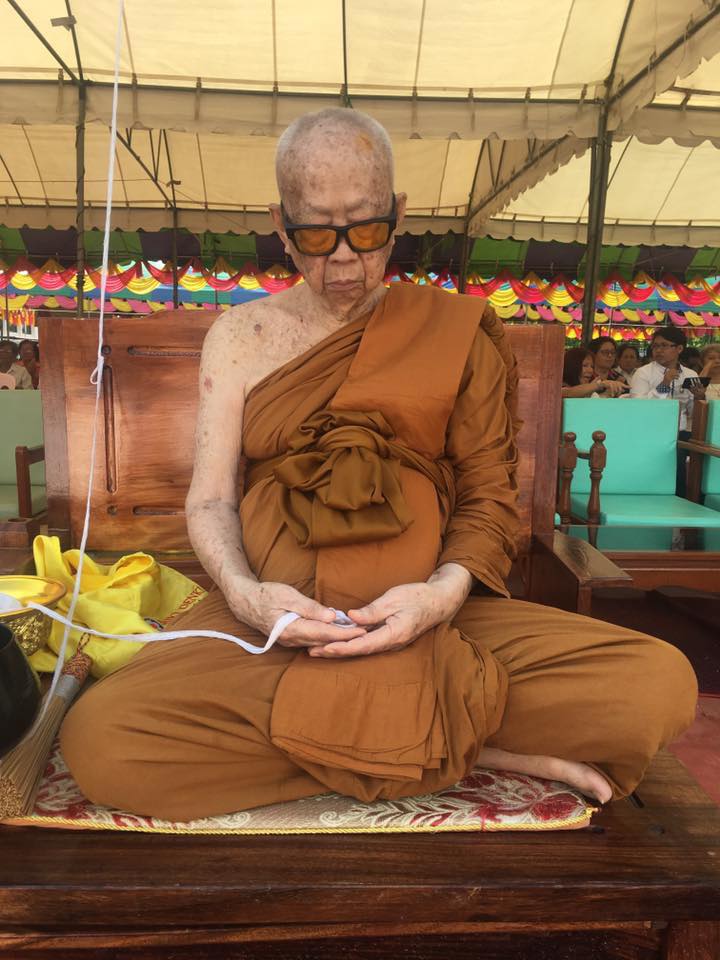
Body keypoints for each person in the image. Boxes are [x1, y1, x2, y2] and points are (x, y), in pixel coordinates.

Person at [60, 108, 696, 822]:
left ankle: (404, 735)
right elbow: (210, 500)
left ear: (397, 214)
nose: (341, 261)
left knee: (660, 684)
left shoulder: (452, 331)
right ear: (279, 222)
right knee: (102, 740)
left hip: (433, 625)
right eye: (313, 235)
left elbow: (490, 501)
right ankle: (468, 745)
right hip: (279, 631)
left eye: (366, 231)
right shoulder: (240, 336)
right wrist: (246, 597)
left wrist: (439, 598)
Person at [630, 328, 705, 495]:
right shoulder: (643, 373)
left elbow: (692, 413)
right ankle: (675, 497)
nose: (658, 350)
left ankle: (692, 499)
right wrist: (664, 384)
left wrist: (699, 397)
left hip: (681, 432)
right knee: (675, 455)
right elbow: (638, 408)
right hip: (650, 431)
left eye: (664, 346)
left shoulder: (690, 374)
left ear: (679, 349)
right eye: (655, 346)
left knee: (700, 455)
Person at [562, 346, 627, 398]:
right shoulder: (561, 386)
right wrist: (601, 384)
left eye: (592, 366)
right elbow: (569, 392)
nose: (590, 370)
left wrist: (609, 393)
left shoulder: (589, 391)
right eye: (585, 366)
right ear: (572, 366)